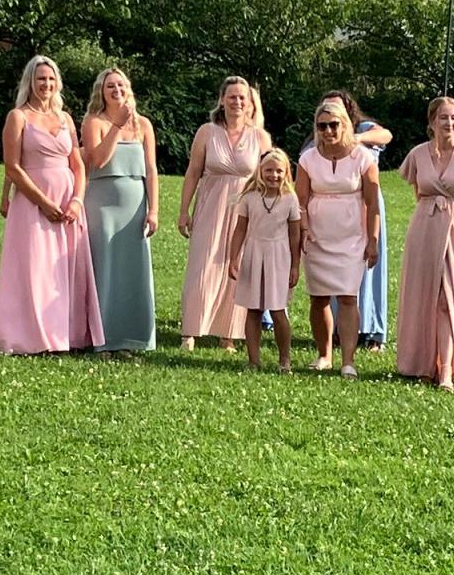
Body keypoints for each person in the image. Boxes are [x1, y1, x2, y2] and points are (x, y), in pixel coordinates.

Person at [0, 55, 103, 355]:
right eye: (41, 78)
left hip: (68, 203)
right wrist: (43, 202)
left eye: (51, 79)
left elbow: (78, 165)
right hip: (32, 203)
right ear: (30, 81)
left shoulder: (65, 118)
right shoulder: (18, 117)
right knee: (35, 268)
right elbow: (12, 166)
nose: (46, 84)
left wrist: (77, 200)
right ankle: (33, 336)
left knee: (64, 269)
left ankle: (66, 334)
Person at [395, 96, 454, 392]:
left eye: (453, 118)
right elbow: (419, 193)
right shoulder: (418, 155)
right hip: (424, 229)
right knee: (424, 297)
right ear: (432, 122)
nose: (449, 123)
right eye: (443, 117)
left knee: (448, 298)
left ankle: (446, 368)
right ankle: (423, 363)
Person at [177, 76, 271, 351]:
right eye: (232, 97)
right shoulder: (207, 132)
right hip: (211, 206)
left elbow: (271, 175)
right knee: (202, 265)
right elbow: (193, 172)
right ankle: (190, 331)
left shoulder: (260, 137)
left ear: (250, 103)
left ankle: (228, 334)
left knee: (236, 267)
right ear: (222, 100)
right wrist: (184, 211)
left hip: (245, 211)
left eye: (242, 97)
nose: (237, 102)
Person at [296, 100, 379, 379]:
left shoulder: (362, 158)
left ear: (344, 124)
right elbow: (300, 201)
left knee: (347, 297)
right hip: (317, 236)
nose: (328, 131)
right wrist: (304, 230)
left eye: (334, 125)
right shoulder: (308, 159)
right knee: (318, 298)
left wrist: (373, 239)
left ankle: (348, 360)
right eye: (322, 126)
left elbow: (372, 204)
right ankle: (324, 354)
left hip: (351, 237)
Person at [80, 67, 158, 354]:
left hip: (135, 205)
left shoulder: (144, 125)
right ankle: (102, 338)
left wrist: (154, 210)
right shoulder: (94, 122)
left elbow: (151, 169)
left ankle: (134, 337)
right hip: (102, 205)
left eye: (121, 85)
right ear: (101, 92)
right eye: (110, 86)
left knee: (134, 271)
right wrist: (117, 125)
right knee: (104, 268)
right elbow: (98, 159)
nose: (117, 90)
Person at [314, 90, 393, 352]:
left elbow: (386, 135)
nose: (331, 119)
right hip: (334, 214)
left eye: (337, 111)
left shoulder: (364, 129)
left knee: (368, 267)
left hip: (366, 205)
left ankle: (371, 329)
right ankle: (338, 329)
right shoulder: (319, 139)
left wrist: (356, 138)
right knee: (336, 271)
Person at [228, 148, 301, 372]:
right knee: (253, 309)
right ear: (260, 171)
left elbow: (295, 234)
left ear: (286, 173)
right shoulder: (250, 198)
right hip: (254, 254)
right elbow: (240, 229)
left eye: (279, 171)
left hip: (279, 257)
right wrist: (233, 258)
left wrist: (295, 265)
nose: (273, 175)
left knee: (278, 311)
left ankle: (284, 359)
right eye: (269, 170)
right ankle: (253, 360)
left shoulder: (290, 199)